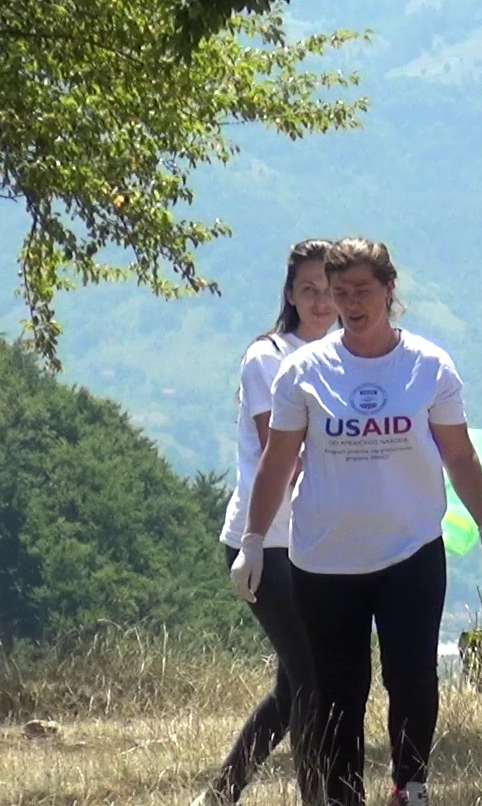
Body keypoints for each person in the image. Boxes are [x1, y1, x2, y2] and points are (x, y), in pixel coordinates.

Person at [233, 237, 482, 806]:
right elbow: (277, 461)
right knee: (338, 689)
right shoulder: (302, 371)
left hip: (410, 550)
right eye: (340, 293)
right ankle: (344, 796)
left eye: (362, 290)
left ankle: (410, 785)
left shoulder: (428, 366)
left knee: (412, 676)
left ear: (389, 290)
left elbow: (458, 454)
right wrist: (253, 541)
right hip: (325, 558)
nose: (351, 303)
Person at [199, 238, 337, 806]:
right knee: (313, 681)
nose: (321, 302)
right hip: (263, 543)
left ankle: (220, 795)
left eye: (330, 290)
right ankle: (316, 797)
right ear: (290, 295)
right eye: (309, 289)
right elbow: (280, 451)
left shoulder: (345, 361)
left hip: (317, 545)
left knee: (291, 689)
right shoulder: (268, 357)